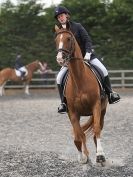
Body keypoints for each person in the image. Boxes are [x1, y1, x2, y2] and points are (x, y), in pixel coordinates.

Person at [54, 6, 120, 113]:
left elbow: (87, 40)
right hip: (70, 61)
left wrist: (88, 53)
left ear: (66, 15)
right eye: (58, 17)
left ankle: (110, 93)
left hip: (87, 57)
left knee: (103, 70)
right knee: (59, 78)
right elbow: (60, 46)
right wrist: (61, 58)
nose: (60, 18)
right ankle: (63, 103)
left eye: (61, 15)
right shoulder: (59, 31)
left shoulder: (77, 26)